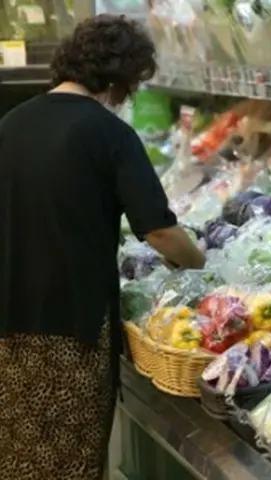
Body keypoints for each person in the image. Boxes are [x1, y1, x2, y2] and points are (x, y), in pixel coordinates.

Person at [0, 14, 206, 479]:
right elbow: (159, 231)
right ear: (121, 77)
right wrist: (200, 262)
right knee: (68, 464)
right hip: (73, 331)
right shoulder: (109, 134)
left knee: (17, 460)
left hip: (8, 328)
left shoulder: (11, 124)